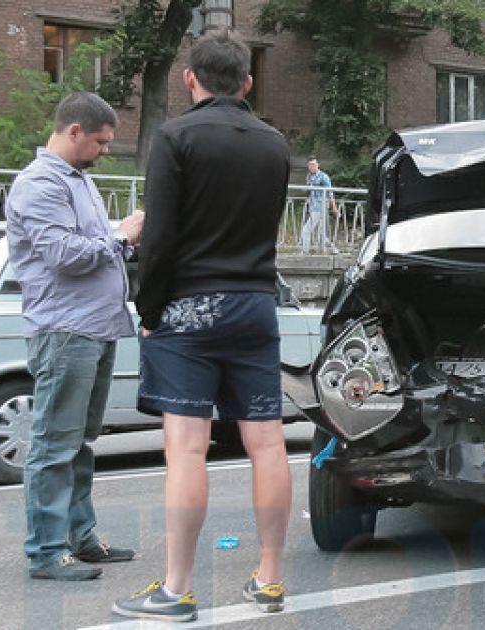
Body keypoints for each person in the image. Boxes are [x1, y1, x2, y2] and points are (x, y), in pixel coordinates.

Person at [112, 29, 292, 622]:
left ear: (190, 79)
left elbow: (159, 237)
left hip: (189, 307)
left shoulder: (175, 136)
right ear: (246, 82)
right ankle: (269, 577)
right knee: (266, 442)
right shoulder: (274, 144)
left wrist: (149, 308)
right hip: (255, 303)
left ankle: (177, 588)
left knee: (187, 448)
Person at [5, 91, 143, 581]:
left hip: (94, 327)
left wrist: (121, 244)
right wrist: (122, 236)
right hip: (66, 330)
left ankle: (81, 539)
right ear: (74, 132)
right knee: (54, 445)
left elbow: (93, 251)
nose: (105, 150)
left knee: (79, 442)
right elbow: (66, 255)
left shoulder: (77, 179)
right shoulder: (40, 183)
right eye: (101, 142)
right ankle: (45, 553)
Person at [298, 156, 340, 255]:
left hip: (320, 207)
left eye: (314, 164)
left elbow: (330, 192)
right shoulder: (308, 176)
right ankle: (333, 249)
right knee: (320, 233)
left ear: (318, 165)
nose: (312, 167)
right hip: (312, 206)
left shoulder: (323, 177)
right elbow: (309, 189)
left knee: (306, 230)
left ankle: (304, 252)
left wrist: (334, 207)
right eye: (310, 165)